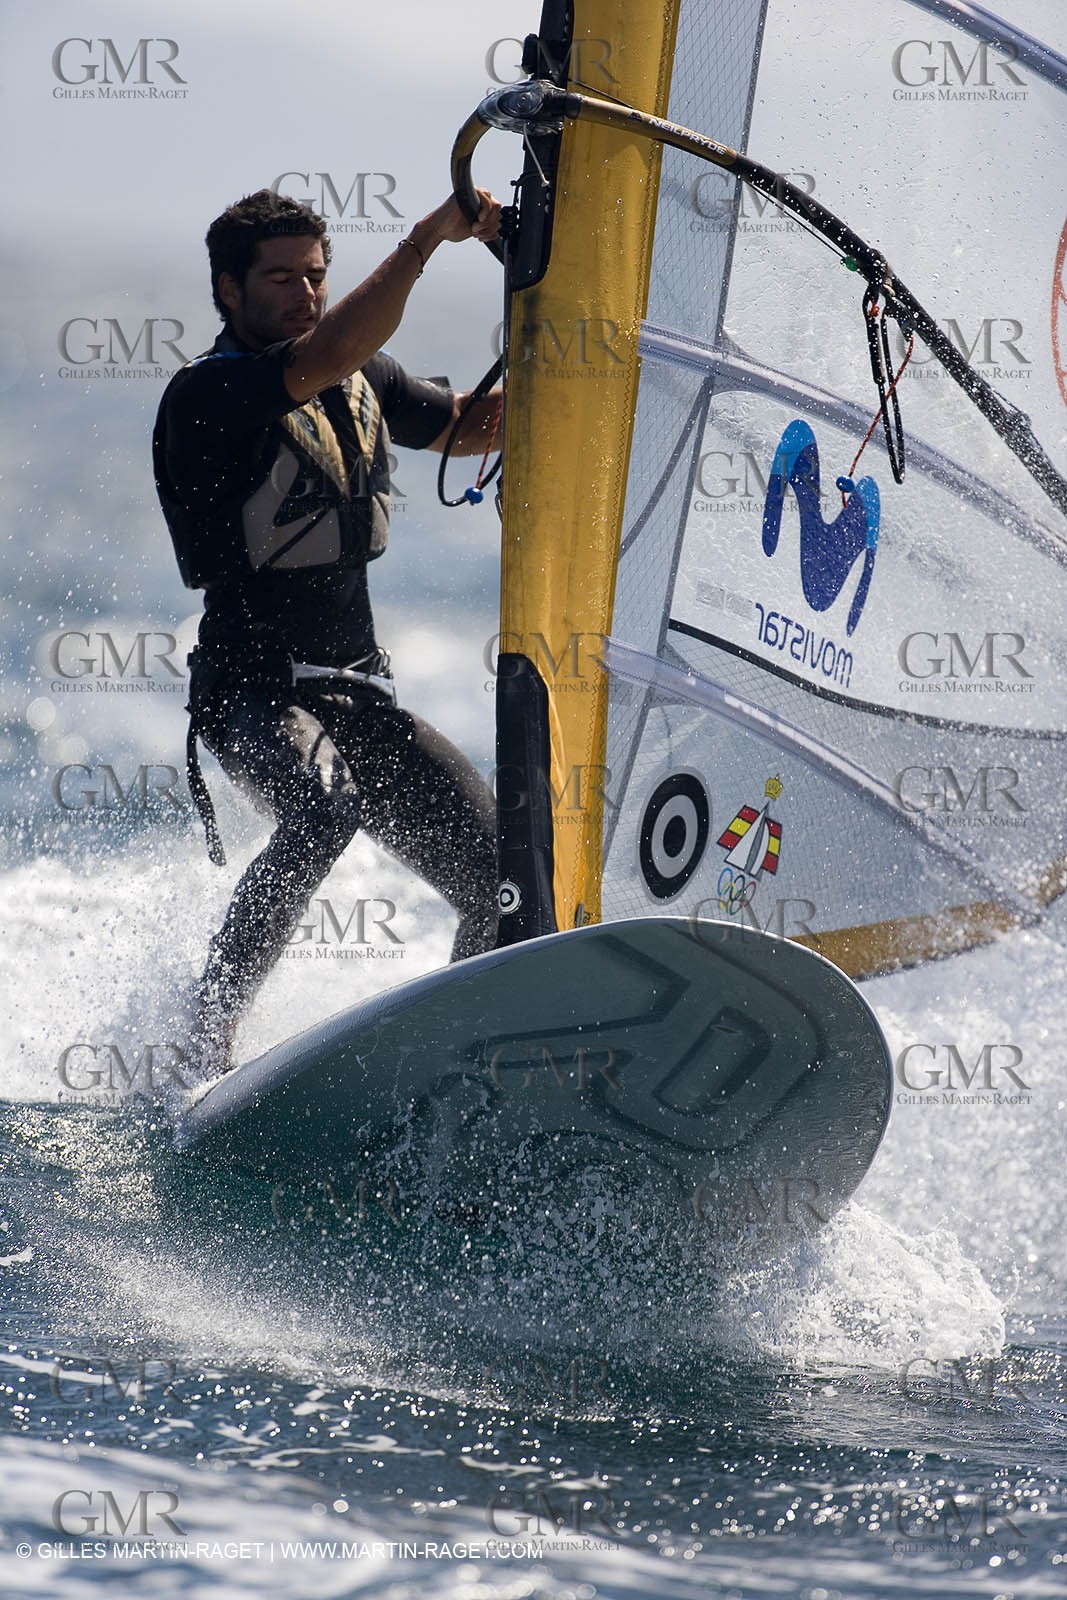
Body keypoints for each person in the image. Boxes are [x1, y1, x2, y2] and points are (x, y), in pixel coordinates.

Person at [153, 186, 503, 1077]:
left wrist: (582, 349)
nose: (304, 294)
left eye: (315, 276)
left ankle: (453, 1065)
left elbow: (466, 425)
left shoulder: (360, 380)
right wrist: (429, 239)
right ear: (228, 289)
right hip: (253, 695)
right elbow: (335, 345)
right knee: (323, 807)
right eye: (280, 278)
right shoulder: (207, 392)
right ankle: (207, 1037)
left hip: (360, 692)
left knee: (503, 885)